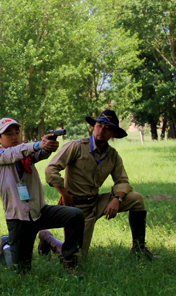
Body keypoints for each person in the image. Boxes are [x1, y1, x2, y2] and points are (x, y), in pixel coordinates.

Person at [44, 110, 155, 260]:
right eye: (99, 125)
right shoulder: (76, 147)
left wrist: (117, 199)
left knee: (136, 199)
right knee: (77, 256)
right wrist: (64, 194)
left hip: (96, 202)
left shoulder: (112, 155)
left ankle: (139, 249)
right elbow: (51, 170)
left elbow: (122, 181)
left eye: (107, 128)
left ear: (113, 134)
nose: (101, 130)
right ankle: (47, 238)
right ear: (93, 127)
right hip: (76, 208)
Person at [0, 118, 83, 272]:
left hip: (39, 211)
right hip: (19, 218)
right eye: (8, 134)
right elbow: (14, 153)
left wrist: (48, 146)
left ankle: (68, 257)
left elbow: (40, 154)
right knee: (21, 270)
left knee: (75, 215)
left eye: (17, 132)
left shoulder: (26, 152)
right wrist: (37, 145)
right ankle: (7, 246)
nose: (14, 136)